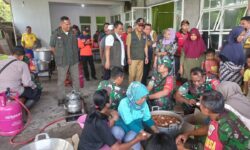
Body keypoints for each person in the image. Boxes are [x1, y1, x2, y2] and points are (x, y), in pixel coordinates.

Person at [176, 90, 250, 150]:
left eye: (200, 103)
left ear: (207, 110)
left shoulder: (222, 128)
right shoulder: (220, 112)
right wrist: (188, 134)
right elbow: (209, 128)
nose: (198, 104)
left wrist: (182, 149)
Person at [78, 89, 149, 150]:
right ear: (107, 104)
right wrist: (137, 139)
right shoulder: (101, 123)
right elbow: (116, 148)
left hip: (83, 146)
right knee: (121, 142)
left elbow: (105, 115)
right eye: (110, 97)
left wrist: (111, 112)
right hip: (93, 148)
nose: (111, 97)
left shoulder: (93, 110)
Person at [114, 82, 159, 150]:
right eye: (141, 98)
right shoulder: (124, 103)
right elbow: (130, 123)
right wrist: (146, 134)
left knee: (131, 138)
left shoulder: (144, 104)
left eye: (145, 97)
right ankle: (119, 146)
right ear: (134, 96)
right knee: (116, 131)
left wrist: (156, 132)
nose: (144, 100)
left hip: (137, 127)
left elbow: (147, 119)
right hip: (123, 125)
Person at [50, 16, 81, 105]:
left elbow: (75, 46)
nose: (69, 26)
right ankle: (61, 98)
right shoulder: (56, 34)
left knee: (76, 79)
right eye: (67, 24)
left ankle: (77, 95)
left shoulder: (73, 33)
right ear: (61, 24)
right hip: (62, 61)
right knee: (61, 80)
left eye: (69, 24)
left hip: (73, 60)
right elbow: (52, 47)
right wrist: (58, 56)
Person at [127, 18, 148, 83]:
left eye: (142, 26)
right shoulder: (130, 34)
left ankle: (137, 90)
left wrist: (146, 57)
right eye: (139, 25)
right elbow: (128, 47)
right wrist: (128, 58)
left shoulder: (144, 35)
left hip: (141, 58)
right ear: (136, 25)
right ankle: (130, 90)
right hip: (133, 59)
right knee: (132, 75)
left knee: (139, 76)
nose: (141, 27)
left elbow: (145, 47)